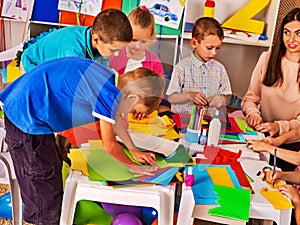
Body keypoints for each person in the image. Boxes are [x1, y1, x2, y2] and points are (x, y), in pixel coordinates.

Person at [0, 57, 164, 225]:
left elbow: (116, 120)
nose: (128, 113)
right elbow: (110, 146)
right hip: (25, 120)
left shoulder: (109, 78)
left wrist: (133, 149)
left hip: (28, 113)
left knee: (51, 173)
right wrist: (134, 168)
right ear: (133, 97)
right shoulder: (107, 93)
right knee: (43, 189)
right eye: (133, 110)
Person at [242, 7, 300, 171]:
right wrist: (253, 113)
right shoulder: (267, 58)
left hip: (289, 147)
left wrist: (278, 127)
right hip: (260, 135)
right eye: (287, 32)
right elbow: (250, 99)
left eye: (299, 33)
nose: (291, 39)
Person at [20, 8, 133, 72]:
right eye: (113, 50)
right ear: (96, 39)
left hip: (57, 66)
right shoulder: (72, 51)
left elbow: (100, 71)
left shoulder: (98, 37)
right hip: (32, 65)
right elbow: (69, 85)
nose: (117, 54)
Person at [109, 5, 171, 118]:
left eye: (143, 42)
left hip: (138, 112)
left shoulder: (154, 61)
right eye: (133, 40)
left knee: (166, 109)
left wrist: (145, 109)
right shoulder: (115, 55)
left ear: (151, 38)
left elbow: (158, 94)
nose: (137, 46)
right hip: (115, 105)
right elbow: (108, 82)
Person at [166, 17, 232, 115]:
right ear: (194, 43)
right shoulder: (182, 67)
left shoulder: (220, 69)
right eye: (209, 48)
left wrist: (222, 99)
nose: (214, 53)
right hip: (184, 119)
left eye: (217, 48)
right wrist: (189, 95)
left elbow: (228, 96)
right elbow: (171, 98)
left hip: (210, 120)